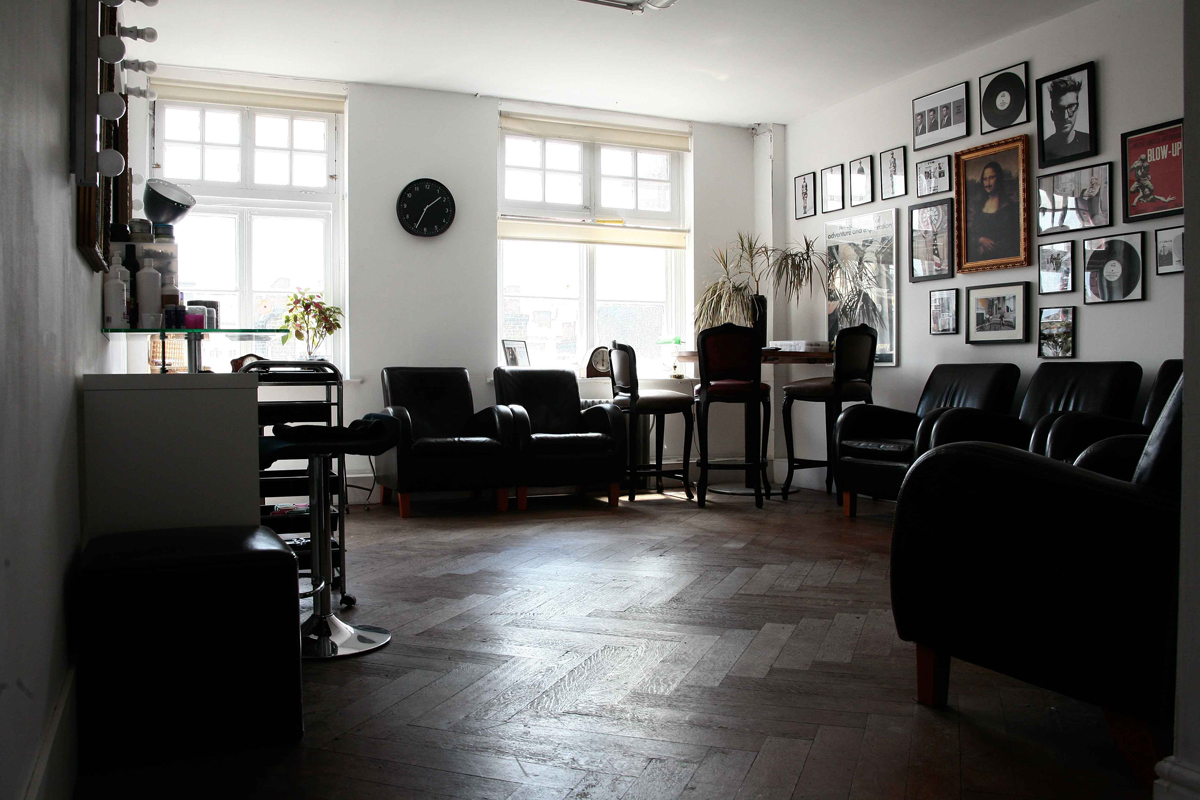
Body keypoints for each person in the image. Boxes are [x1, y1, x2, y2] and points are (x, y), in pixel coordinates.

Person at [967, 161, 1020, 262]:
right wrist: (981, 240)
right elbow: (971, 234)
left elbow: (1012, 238)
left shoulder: (1010, 208)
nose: (988, 184)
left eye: (991, 178)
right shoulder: (979, 207)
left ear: (998, 179)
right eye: (985, 179)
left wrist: (989, 247)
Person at [1043, 75, 1091, 161]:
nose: (1065, 116)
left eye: (1071, 107)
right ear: (1052, 115)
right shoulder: (1045, 148)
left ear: (1077, 109)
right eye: (1059, 109)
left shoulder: (1088, 141)